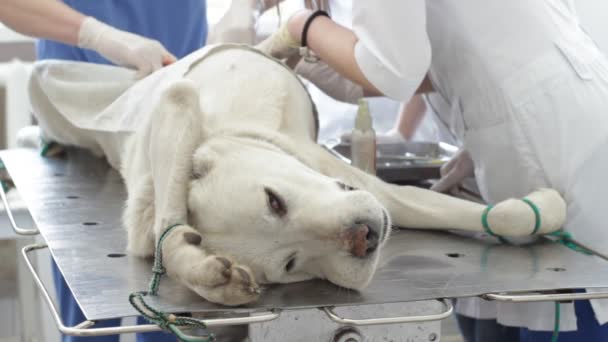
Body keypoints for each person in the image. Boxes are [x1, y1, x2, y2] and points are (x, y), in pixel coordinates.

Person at [257, 1, 608, 341]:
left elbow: (394, 71)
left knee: (569, 304)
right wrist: (349, 74)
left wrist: (303, 25)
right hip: (551, 114)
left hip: (550, 136)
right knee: (512, 305)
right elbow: (448, 55)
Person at [0, 1, 208, 341]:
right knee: (91, 319)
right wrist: (99, 36)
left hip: (172, 120)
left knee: (168, 314)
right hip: (81, 120)